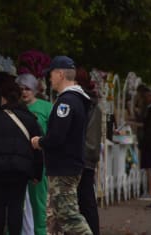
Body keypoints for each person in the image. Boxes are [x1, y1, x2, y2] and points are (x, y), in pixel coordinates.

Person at [31, 55, 93, 235]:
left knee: (68, 216)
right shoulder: (77, 99)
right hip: (67, 166)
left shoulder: (66, 102)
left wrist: (39, 142)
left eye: (50, 74)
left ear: (59, 74)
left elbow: (57, 137)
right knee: (55, 219)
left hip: (63, 168)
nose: (49, 78)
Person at [0, 75, 43, 235]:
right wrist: (37, 173)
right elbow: (37, 147)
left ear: (2, 98)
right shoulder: (30, 120)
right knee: (16, 206)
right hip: (20, 169)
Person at [16, 73, 52, 235]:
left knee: (39, 202)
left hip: (39, 161)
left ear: (35, 90)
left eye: (28, 89)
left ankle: (40, 232)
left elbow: (53, 135)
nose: (24, 92)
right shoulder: (14, 107)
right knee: (15, 202)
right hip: (17, 161)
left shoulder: (47, 108)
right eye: (21, 89)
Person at [74, 67, 102, 235]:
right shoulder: (89, 103)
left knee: (84, 200)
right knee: (85, 201)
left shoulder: (86, 104)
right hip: (86, 157)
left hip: (82, 157)